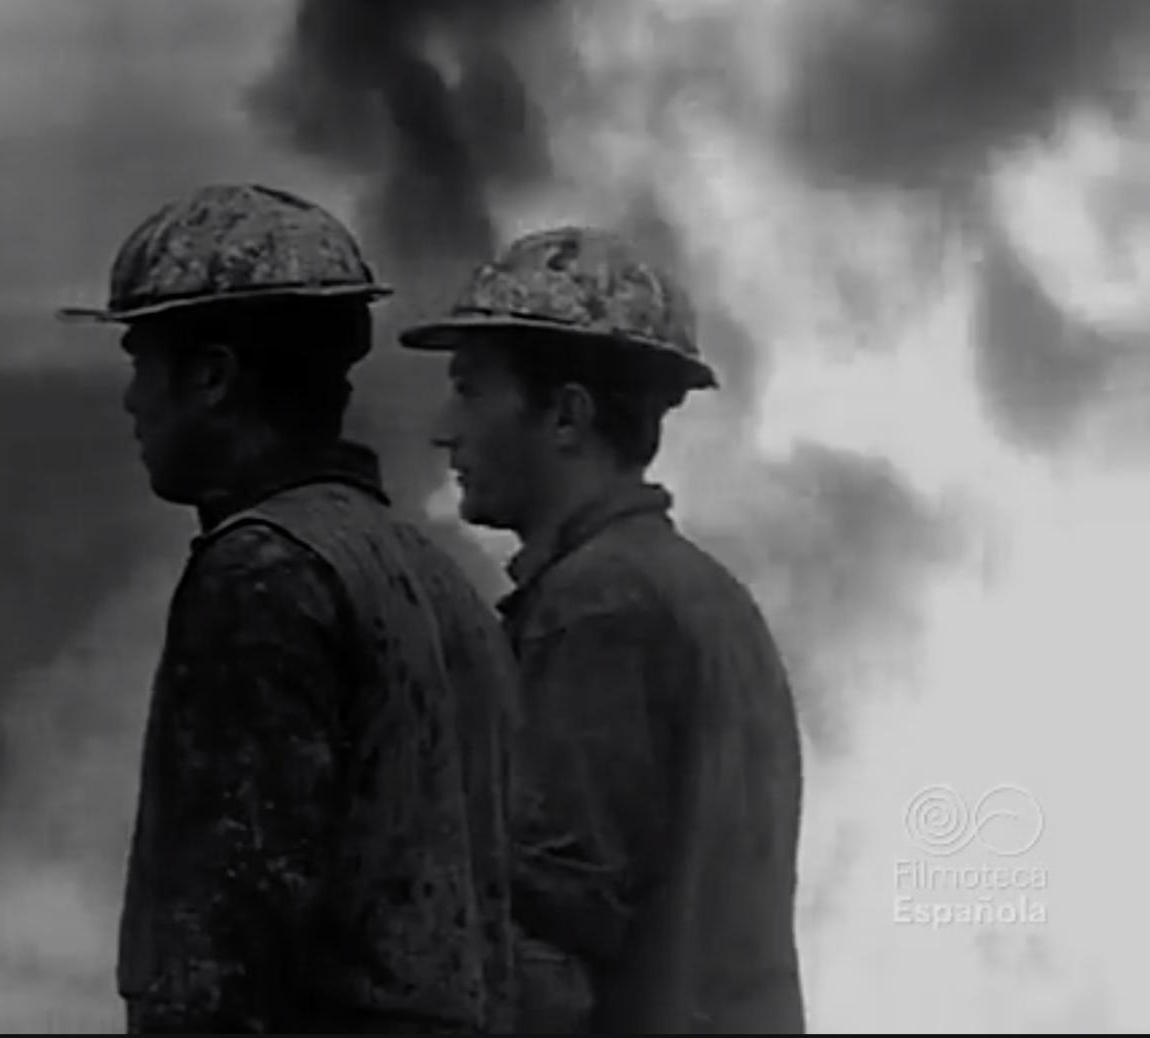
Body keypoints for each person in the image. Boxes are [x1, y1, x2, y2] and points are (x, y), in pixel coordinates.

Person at [57, 182, 520, 1033]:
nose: (132, 401)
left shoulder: (263, 572)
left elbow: (231, 941)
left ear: (213, 377)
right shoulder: (433, 573)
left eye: (141, 365)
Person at [398, 226, 808, 1034]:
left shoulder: (600, 608)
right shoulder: (701, 595)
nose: (444, 427)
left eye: (471, 388)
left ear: (567, 417)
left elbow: (552, 940)